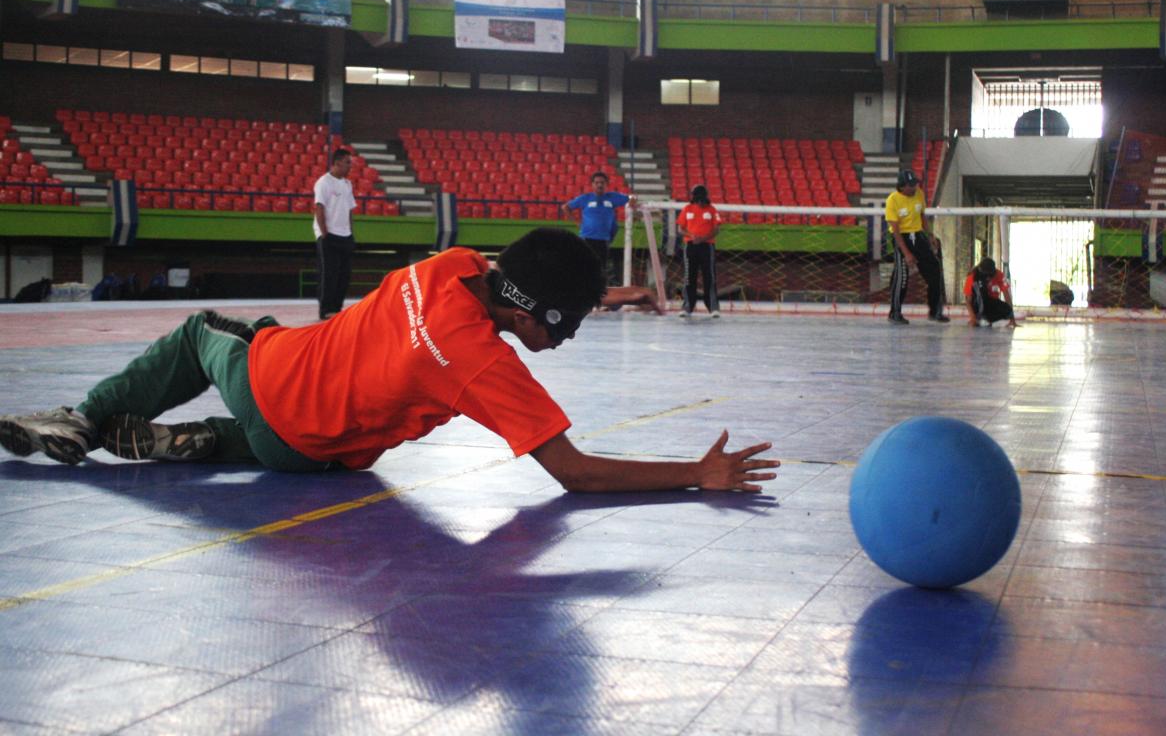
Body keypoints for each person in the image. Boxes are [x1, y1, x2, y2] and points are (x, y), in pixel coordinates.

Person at [0, 229, 777, 494]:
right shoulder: (481, 367)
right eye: (567, 325)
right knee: (204, 327)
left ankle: (100, 418)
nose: (570, 337)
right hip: (315, 458)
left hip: (275, 383)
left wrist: (609, 294)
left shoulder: (449, 266)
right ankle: (142, 430)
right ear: (533, 314)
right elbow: (573, 472)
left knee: (215, 334)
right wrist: (692, 473)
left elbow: (530, 284)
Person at [885, 168, 949, 325]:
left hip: (918, 235)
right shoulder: (893, 200)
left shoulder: (919, 194)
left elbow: (922, 217)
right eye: (910, 185)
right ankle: (895, 312)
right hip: (902, 238)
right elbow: (896, 230)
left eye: (915, 184)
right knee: (902, 276)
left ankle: (935, 311)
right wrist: (906, 253)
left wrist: (930, 235)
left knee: (934, 269)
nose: (914, 187)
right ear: (902, 186)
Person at [561, 172, 635, 284]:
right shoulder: (585, 198)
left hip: (603, 240)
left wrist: (632, 201)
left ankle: (597, 294)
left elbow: (631, 197)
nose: (599, 185)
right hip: (587, 239)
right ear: (592, 185)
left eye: (602, 183)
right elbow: (565, 207)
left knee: (601, 269)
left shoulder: (613, 197)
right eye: (597, 183)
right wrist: (576, 222)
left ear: (607, 184)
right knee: (584, 266)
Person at [314, 149, 356, 320]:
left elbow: (350, 210)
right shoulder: (324, 182)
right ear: (337, 163)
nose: (350, 166)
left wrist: (351, 233)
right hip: (329, 235)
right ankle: (325, 310)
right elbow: (319, 208)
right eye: (347, 162)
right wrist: (324, 234)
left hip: (345, 235)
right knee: (329, 274)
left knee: (344, 275)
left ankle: (337, 309)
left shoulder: (347, 184)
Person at [677, 184, 721, 318]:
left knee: (710, 277)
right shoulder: (687, 209)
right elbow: (680, 229)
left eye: (702, 199)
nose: (700, 202)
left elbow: (716, 229)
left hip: (707, 247)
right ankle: (688, 306)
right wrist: (692, 236)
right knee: (689, 277)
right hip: (690, 246)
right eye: (698, 199)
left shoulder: (712, 210)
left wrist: (703, 239)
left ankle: (713, 308)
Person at [965, 257, 1018, 328]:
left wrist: (1012, 318)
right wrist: (973, 318)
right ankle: (979, 317)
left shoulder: (999, 274)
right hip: (978, 304)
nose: (988, 278)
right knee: (979, 289)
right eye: (986, 276)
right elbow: (968, 301)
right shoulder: (972, 277)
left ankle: (987, 319)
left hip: (991, 303)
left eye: (990, 275)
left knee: (1007, 309)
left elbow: (1007, 296)